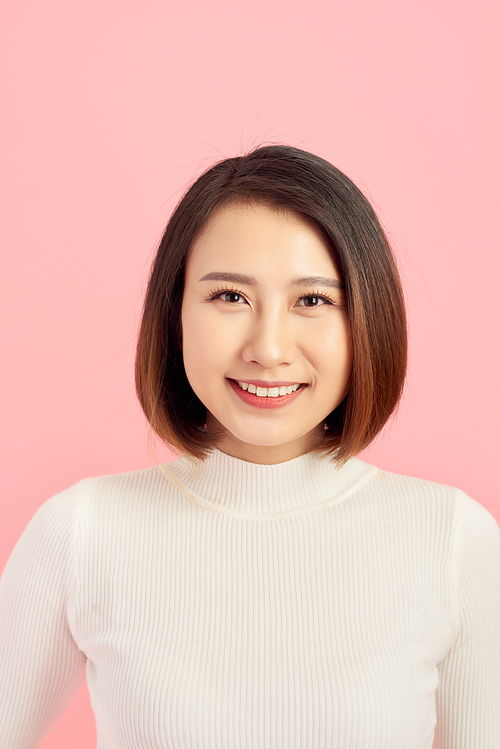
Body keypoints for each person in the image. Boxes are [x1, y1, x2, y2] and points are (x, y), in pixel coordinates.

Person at [0, 144, 499, 748]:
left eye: (313, 301)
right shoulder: (80, 533)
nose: (268, 347)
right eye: (229, 297)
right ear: (174, 314)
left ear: (367, 319)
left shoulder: (452, 540)